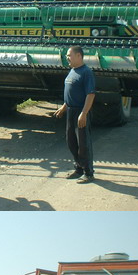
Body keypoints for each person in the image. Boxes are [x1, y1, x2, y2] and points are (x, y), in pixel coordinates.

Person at [55, 45, 96, 183]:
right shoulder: (72, 71)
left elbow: (90, 94)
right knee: (71, 142)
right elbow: (72, 93)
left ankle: (88, 172)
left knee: (84, 143)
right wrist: (64, 107)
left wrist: (84, 113)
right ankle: (78, 168)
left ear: (79, 56)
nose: (67, 58)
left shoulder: (86, 72)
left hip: (80, 111)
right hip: (71, 111)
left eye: (69, 55)